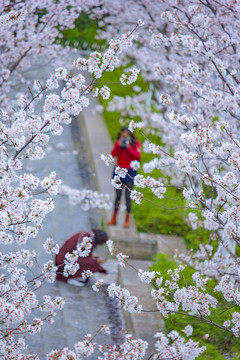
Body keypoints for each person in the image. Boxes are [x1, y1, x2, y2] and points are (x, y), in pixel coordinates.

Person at [108, 126, 141, 228]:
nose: (125, 138)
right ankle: (114, 218)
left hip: (130, 172)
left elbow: (137, 156)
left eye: (126, 136)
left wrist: (129, 147)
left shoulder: (136, 143)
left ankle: (127, 219)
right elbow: (113, 154)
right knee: (117, 196)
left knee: (128, 196)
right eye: (123, 136)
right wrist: (119, 145)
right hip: (118, 170)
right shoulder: (119, 142)